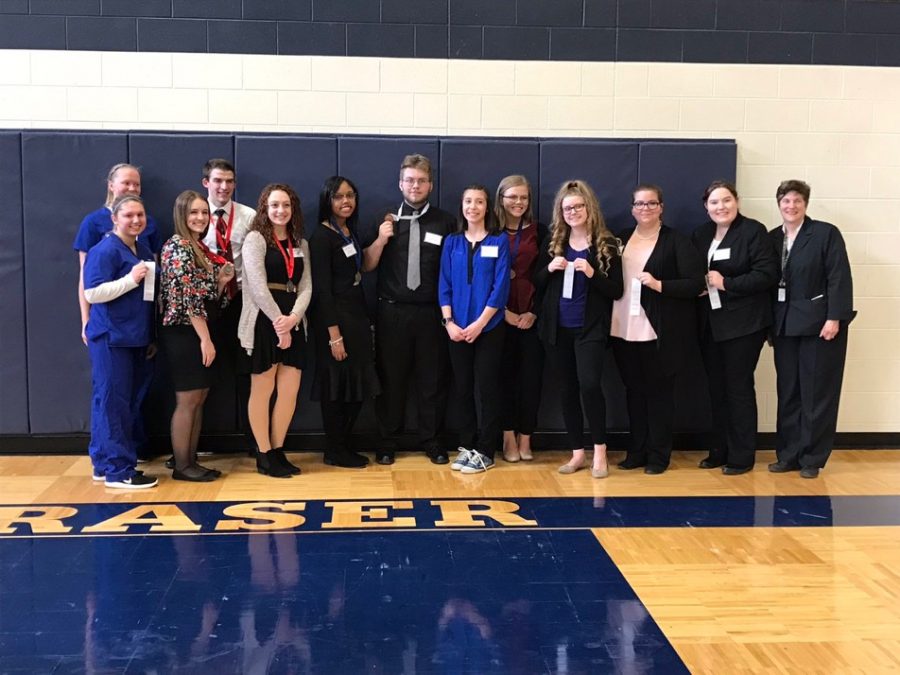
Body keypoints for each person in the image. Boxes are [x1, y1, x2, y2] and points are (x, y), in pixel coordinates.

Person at [363, 154, 456, 465]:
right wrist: (380, 239)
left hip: (431, 313)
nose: (415, 186)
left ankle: (431, 440)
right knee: (391, 379)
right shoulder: (384, 219)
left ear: (430, 185)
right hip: (393, 312)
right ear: (400, 183)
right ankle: (387, 441)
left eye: (421, 181)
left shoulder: (445, 221)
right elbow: (367, 265)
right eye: (409, 180)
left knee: (432, 380)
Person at [610, 184, 705, 474]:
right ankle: (636, 450)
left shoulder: (676, 240)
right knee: (633, 392)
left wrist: (659, 284)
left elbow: (694, 283)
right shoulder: (621, 238)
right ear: (632, 208)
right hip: (623, 327)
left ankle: (658, 455)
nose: (645, 209)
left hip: (658, 330)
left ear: (661, 207)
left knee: (659, 395)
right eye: (640, 204)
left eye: (652, 204)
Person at [534, 180, 622, 478]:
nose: (573, 212)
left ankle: (600, 451)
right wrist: (549, 268)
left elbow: (616, 290)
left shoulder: (606, 243)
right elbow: (536, 281)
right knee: (566, 390)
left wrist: (593, 273)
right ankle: (576, 453)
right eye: (567, 207)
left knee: (590, 385)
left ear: (589, 208)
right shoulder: (553, 241)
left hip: (590, 329)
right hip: (557, 328)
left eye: (578, 206)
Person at [74, 163, 160, 466]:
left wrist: (150, 331)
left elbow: (148, 292)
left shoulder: (141, 250)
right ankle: (116, 468)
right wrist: (129, 281)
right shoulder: (104, 248)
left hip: (134, 334)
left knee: (122, 402)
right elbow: (91, 291)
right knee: (112, 401)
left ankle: (104, 461)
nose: (135, 220)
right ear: (114, 219)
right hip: (111, 334)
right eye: (128, 215)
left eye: (140, 216)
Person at [768, 180, 855, 479]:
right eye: (785, 201)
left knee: (817, 394)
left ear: (806, 204)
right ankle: (788, 454)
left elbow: (838, 277)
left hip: (820, 326)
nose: (790, 206)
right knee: (788, 392)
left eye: (796, 201)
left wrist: (835, 318)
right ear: (778, 204)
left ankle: (812, 457)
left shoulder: (824, 233)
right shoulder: (771, 238)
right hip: (784, 326)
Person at [691, 181, 778, 475]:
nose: (721, 207)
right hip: (711, 324)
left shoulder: (753, 231)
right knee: (716, 389)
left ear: (737, 201)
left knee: (738, 388)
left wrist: (726, 283)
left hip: (744, 324)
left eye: (726, 200)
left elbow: (766, 275)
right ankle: (719, 450)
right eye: (714, 202)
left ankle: (742, 456)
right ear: (706, 206)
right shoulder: (701, 234)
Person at [159, 190, 235, 482]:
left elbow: (208, 298)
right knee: (188, 398)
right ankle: (182, 464)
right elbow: (187, 299)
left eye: (204, 212)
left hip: (201, 329)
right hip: (185, 333)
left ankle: (191, 459)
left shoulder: (199, 248)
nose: (201, 218)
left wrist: (221, 281)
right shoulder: (177, 246)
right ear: (181, 215)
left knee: (199, 396)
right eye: (194, 212)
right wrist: (205, 339)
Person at [239, 184, 311, 478]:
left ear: (293, 209)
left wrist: (293, 318)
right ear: (265, 209)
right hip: (264, 320)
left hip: (293, 320)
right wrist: (279, 322)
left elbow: (307, 286)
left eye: (286, 205)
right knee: (263, 388)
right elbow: (256, 287)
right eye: (274, 206)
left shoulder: (300, 243)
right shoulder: (256, 239)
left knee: (289, 391)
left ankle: (278, 449)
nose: (280, 211)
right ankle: (263, 452)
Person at [309, 176, 381, 469]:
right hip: (335, 321)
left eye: (350, 195)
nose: (345, 201)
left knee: (358, 386)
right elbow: (323, 292)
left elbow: (364, 265)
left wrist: (382, 238)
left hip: (357, 317)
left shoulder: (350, 232)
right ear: (328, 200)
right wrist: (334, 336)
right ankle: (334, 449)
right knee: (336, 388)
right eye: (338, 197)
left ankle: (343, 444)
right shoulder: (321, 237)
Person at [439, 185, 510, 474]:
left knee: (487, 388)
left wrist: (480, 324)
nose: (473, 207)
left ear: (487, 207)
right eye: (468, 201)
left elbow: (500, 287)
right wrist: (449, 323)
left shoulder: (499, 240)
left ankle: (485, 450)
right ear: (462, 206)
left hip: (488, 328)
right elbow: (444, 284)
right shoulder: (452, 242)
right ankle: (467, 445)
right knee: (462, 388)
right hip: (456, 330)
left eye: (479, 201)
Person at [200, 158, 258, 451]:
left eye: (229, 181)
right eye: (218, 181)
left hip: (240, 302)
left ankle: (254, 440)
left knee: (246, 373)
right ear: (206, 183)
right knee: (202, 375)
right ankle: (194, 443)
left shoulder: (248, 215)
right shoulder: (196, 215)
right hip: (207, 303)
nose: (224, 187)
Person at [495, 175, 548, 463]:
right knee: (503, 379)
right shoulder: (491, 231)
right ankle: (507, 437)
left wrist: (532, 312)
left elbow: (547, 277)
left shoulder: (540, 232)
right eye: (512, 197)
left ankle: (526, 437)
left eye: (523, 197)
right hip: (498, 317)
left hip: (531, 317)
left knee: (531, 380)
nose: (518, 202)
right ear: (501, 198)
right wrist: (503, 312)